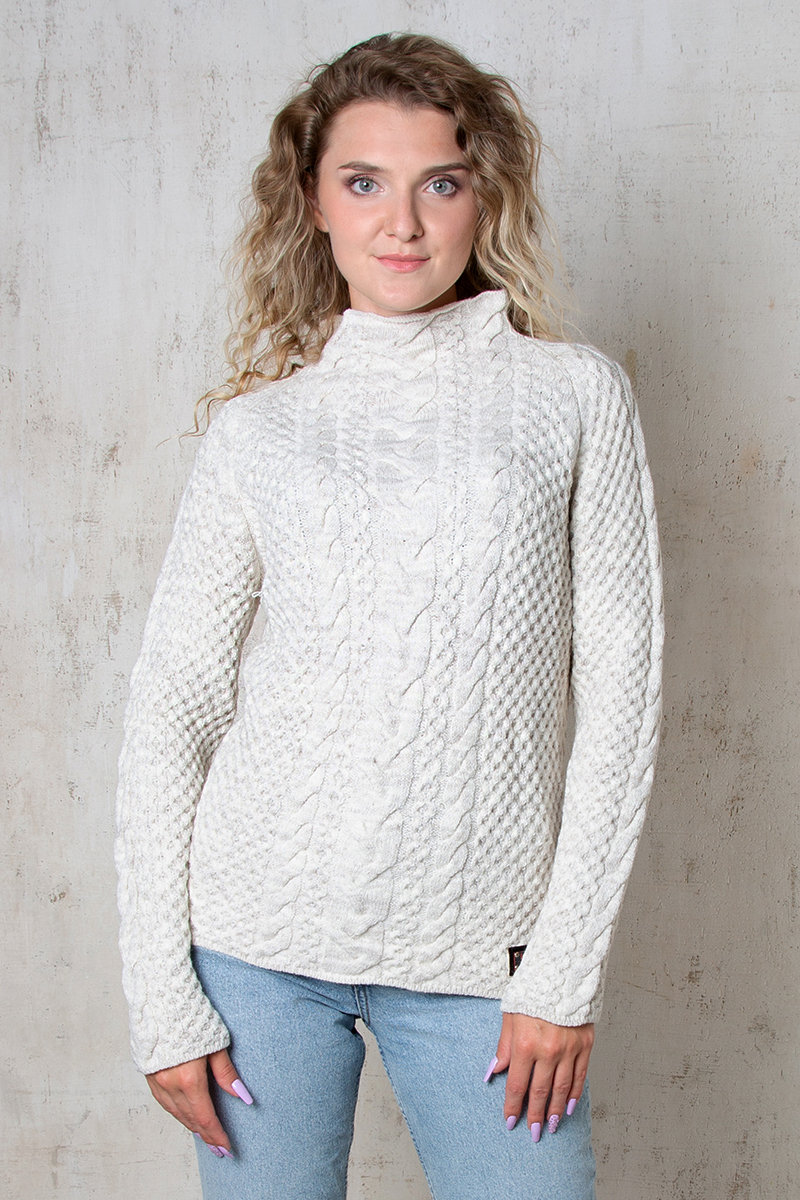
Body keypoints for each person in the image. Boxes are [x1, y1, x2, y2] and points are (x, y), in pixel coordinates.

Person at [115, 31, 663, 1200]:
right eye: (363, 183)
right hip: (253, 953)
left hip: (484, 959)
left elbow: (621, 702)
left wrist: (560, 976)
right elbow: (174, 711)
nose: (401, 224)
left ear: (483, 196)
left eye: (439, 184)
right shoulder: (259, 432)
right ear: (313, 202)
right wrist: (161, 996)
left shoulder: (572, 397)